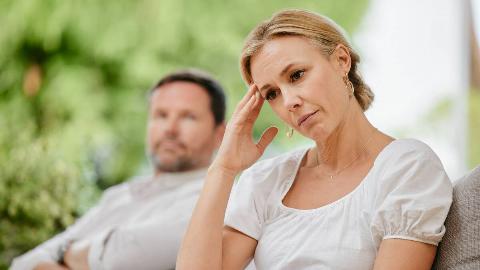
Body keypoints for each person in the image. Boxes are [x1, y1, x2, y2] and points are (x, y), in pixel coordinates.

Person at [177, 9, 453, 270]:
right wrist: (223, 168)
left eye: (297, 75)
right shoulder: (266, 181)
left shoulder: (406, 168)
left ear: (341, 61)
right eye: (272, 93)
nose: (289, 102)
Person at [11, 68, 227, 270]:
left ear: (220, 134)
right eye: (161, 115)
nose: (170, 129)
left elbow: (121, 255)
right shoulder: (118, 196)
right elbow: (22, 264)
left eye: (188, 117)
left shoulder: (216, 202)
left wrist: (65, 251)